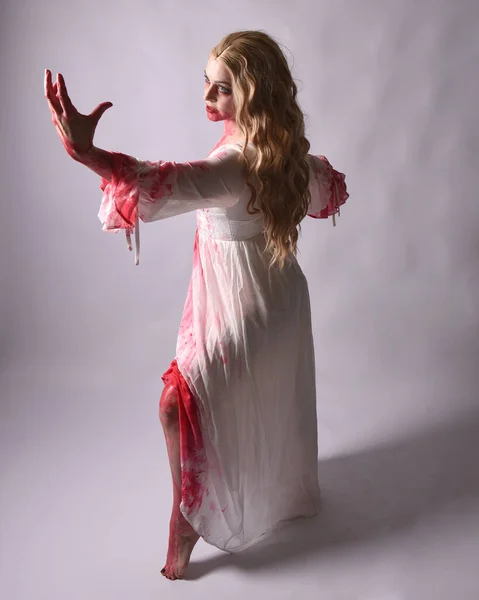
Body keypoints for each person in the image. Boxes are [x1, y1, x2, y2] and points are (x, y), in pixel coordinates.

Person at [44, 30, 349, 581]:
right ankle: (222, 497)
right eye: (206, 82)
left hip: (251, 305)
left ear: (254, 95)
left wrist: (88, 154)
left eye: (222, 88)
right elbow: (330, 190)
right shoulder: (287, 156)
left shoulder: (239, 166)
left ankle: (186, 515)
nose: (207, 96)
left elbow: (165, 183)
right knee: (204, 402)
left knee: (173, 404)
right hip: (279, 301)